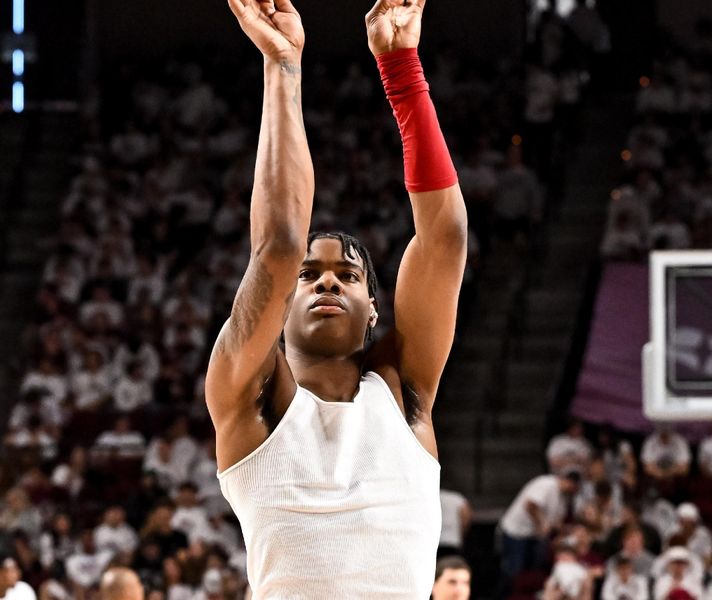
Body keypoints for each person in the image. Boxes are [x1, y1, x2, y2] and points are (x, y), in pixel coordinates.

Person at [208, 0, 467, 597]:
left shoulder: (405, 393)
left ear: (375, 309)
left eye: (349, 275)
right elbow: (277, 246)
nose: (327, 280)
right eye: (311, 276)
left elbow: (446, 238)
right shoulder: (246, 394)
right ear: (280, 307)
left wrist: (402, 69)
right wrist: (281, 65)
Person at [498, 471, 581, 588]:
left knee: (533, 571)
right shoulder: (547, 484)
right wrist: (541, 523)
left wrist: (567, 530)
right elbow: (530, 505)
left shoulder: (564, 498)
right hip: (516, 532)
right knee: (514, 570)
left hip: (533, 536)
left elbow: (555, 522)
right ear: (569, 482)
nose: (573, 492)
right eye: (573, 487)